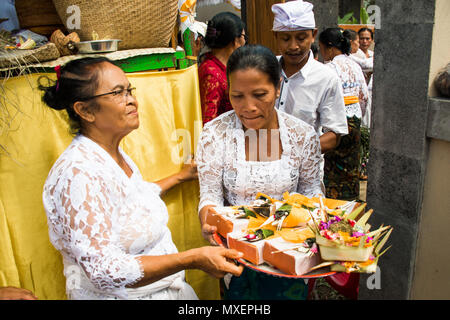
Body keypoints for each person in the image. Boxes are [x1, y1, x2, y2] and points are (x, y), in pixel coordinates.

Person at [39, 57, 243, 300]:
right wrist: (192, 259)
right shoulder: (77, 173)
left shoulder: (114, 154)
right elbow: (103, 270)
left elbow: (131, 200)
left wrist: (181, 177)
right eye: (117, 93)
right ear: (84, 110)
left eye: (129, 90)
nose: (132, 100)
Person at [197, 44, 323, 300]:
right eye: (237, 96)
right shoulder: (215, 134)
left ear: (278, 87)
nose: (248, 107)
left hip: (290, 254)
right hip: (238, 257)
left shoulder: (302, 135)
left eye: (259, 94)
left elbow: (311, 190)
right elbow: (209, 195)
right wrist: (208, 222)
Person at [271, 0, 348, 155]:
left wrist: (294, 152)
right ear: (276, 36)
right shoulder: (265, 68)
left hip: (304, 174)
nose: (293, 46)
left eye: (301, 38)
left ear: (313, 35)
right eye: (286, 39)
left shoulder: (326, 78)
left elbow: (334, 134)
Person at [319, 28, 370, 201]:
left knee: (333, 167)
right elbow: (364, 96)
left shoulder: (328, 68)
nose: (322, 52)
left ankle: (334, 205)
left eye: (322, 48)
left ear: (330, 47)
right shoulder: (355, 65)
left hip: (336, 122)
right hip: (355, 119)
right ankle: (351, 202)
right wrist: (357, 119)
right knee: (351, 167)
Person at [198, 12, 246, 125]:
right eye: (243, 37)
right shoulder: (210, 73)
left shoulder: (226, 66)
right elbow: (208, 122)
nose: (245, 42)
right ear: (235, 40)